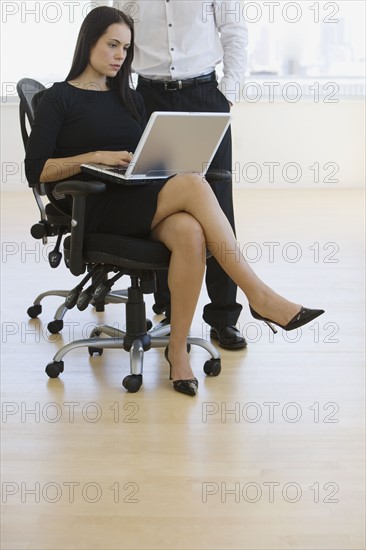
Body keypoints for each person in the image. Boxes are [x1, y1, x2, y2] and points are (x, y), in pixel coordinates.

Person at [25, 7, 324, 397]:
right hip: (96, 206)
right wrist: (95, 157)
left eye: (126, 49)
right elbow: (38, 171)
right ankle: (260, 297)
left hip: (134, 197)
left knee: (190, 232)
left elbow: (143, 154)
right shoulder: (59, 97)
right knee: (196, 185)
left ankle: (178, 352)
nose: (120, 55)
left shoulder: (129, 98)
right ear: (88, 43)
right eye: (112, 45)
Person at [132, 0, 248, 350]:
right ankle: (169, 305)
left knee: (217, 206)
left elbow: (234, 32)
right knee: (162, 204)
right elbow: (111, 27)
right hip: (147, 98)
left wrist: (227, 95)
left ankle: (224, 317)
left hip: (203, 96)